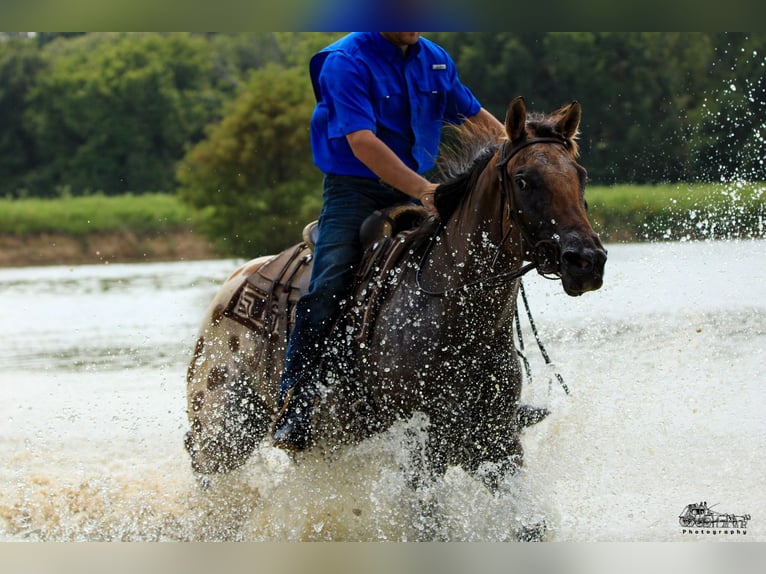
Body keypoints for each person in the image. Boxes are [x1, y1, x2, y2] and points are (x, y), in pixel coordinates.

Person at [272, 32, 505, 451]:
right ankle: (296, 405)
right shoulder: (345, 61)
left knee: (480, 266)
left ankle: (494, 396)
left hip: (420, 187)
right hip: (355, 191)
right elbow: (362, 142)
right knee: (328, 286)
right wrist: (423, 191)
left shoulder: (434, 58)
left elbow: (474, 116)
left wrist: (520, 150)